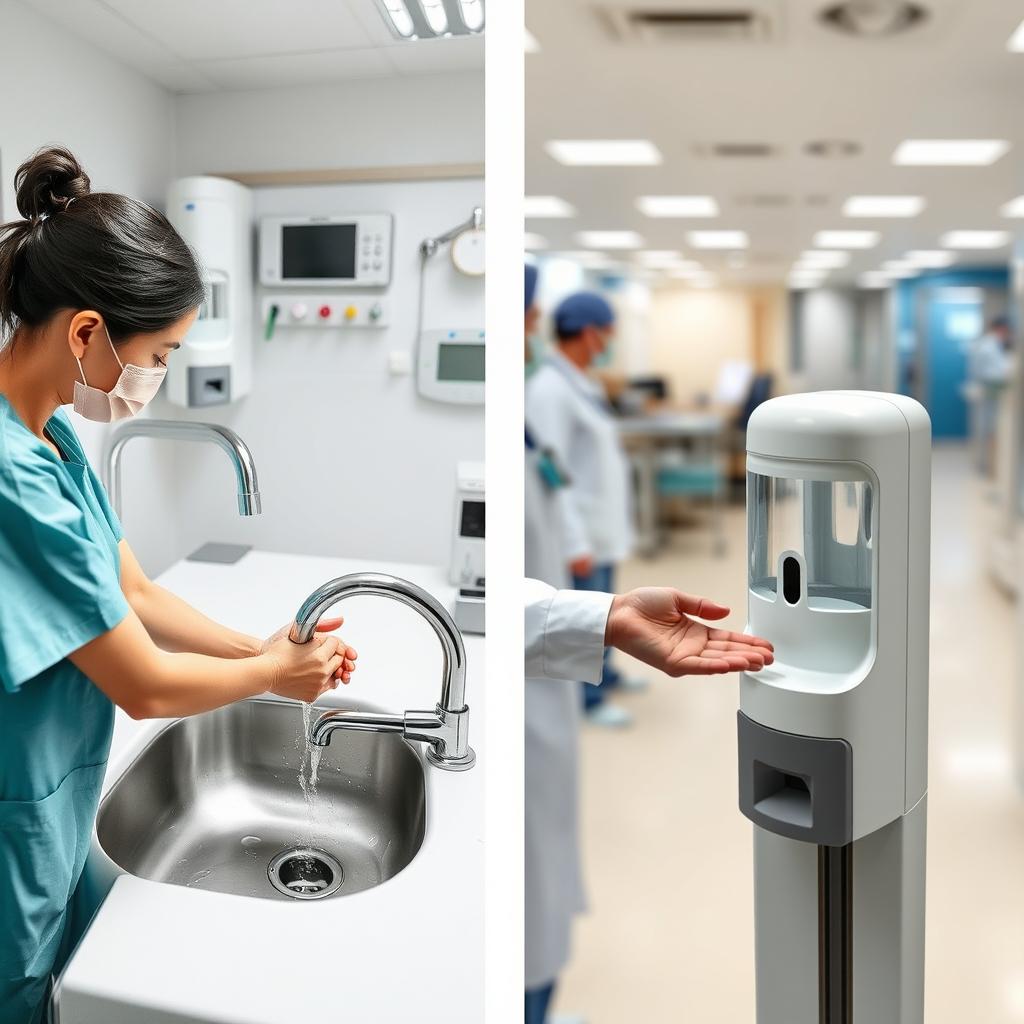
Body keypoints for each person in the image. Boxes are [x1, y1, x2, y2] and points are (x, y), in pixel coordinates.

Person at [0, 147, 358, 1024]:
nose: (154, 380)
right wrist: (274, 679)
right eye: (156, 354)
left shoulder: (51, 438)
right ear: (87, 333)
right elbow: (145, 684)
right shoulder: (11, 472)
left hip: (54, 789)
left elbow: (139, 594)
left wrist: (266, 647)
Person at [523, 265, 774, 1024]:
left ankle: (535, 999)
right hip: (539, 630)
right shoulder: (538, 391)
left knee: (539, 891)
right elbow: (553, 479)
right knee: (527, 897)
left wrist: (599, 618)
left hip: (546, 618)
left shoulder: (550, 388)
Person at [525, 291, 637, 728]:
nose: (608, 342)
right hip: (582, 528)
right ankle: (590, 699)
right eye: (607, 334)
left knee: (607, 608)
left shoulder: (580, 381)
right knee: (588, 615)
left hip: (601, 525)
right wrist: (572, 538)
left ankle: (606, 677)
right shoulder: (549, 390)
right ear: (590, 335)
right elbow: (552, 470)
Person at [967, 315, 1013, 474]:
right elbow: (992, 373)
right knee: (987, 429)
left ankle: (986, 465)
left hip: (989, 392)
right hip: (988, 391)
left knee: (988, 429)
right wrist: (1008, 374)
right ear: (1001, 329)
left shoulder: (990, 344)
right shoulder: (989, 346)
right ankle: (986, 466)